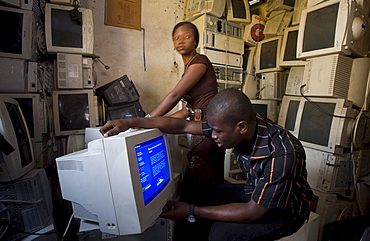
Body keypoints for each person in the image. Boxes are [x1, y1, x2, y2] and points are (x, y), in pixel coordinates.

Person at [100, 88, 314, 241]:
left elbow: (254, 212)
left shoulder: (282, 153)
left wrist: (191, 211)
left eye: (217, 132)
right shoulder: (240, 122)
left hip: (284, 211)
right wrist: (131, 122)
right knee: (197, 195)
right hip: (254, 192)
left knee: (220, 234)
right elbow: (183, 125)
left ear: (240, 127)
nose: (211, 136)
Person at [146, 21, 225, 200]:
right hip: (199, 126)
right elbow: (183, 111)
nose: (181, 41)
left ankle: (195, 220)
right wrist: (157, 123)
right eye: (177, 38)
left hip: (210, 128)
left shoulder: (200, 62)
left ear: (196, 42)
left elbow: (175, 95)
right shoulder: (188, 69)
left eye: (187, 37)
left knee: (196, 184)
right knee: (203, 183)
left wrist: (148, 119)